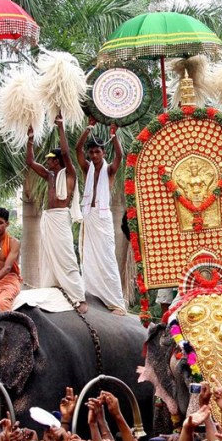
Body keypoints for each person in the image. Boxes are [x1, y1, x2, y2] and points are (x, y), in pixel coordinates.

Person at [26, 115, 87, 313]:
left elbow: (68, 153)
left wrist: (61, 127)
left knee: (67, 255)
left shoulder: (69, 172)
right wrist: (30, 140)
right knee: (48, 256)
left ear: (59, 161)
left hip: (61, 217)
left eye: (52, 160)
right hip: (49, 218)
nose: (49, 163)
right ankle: (53, 288)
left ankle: (79, 297)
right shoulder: (49, 175)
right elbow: (30, 161)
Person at [76, 121, 126, 315]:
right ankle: (93, 297)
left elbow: (120, 156)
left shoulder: (109, 170)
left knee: (107, 259)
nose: (95, 155)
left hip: (103, 219)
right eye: (92, 152)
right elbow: (77, 148)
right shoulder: (87, 169)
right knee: (88, 259)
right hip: (89, 216)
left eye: (98, 152)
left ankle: (117, 303)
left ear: (103, 154)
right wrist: (88, 127)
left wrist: (114, 135)